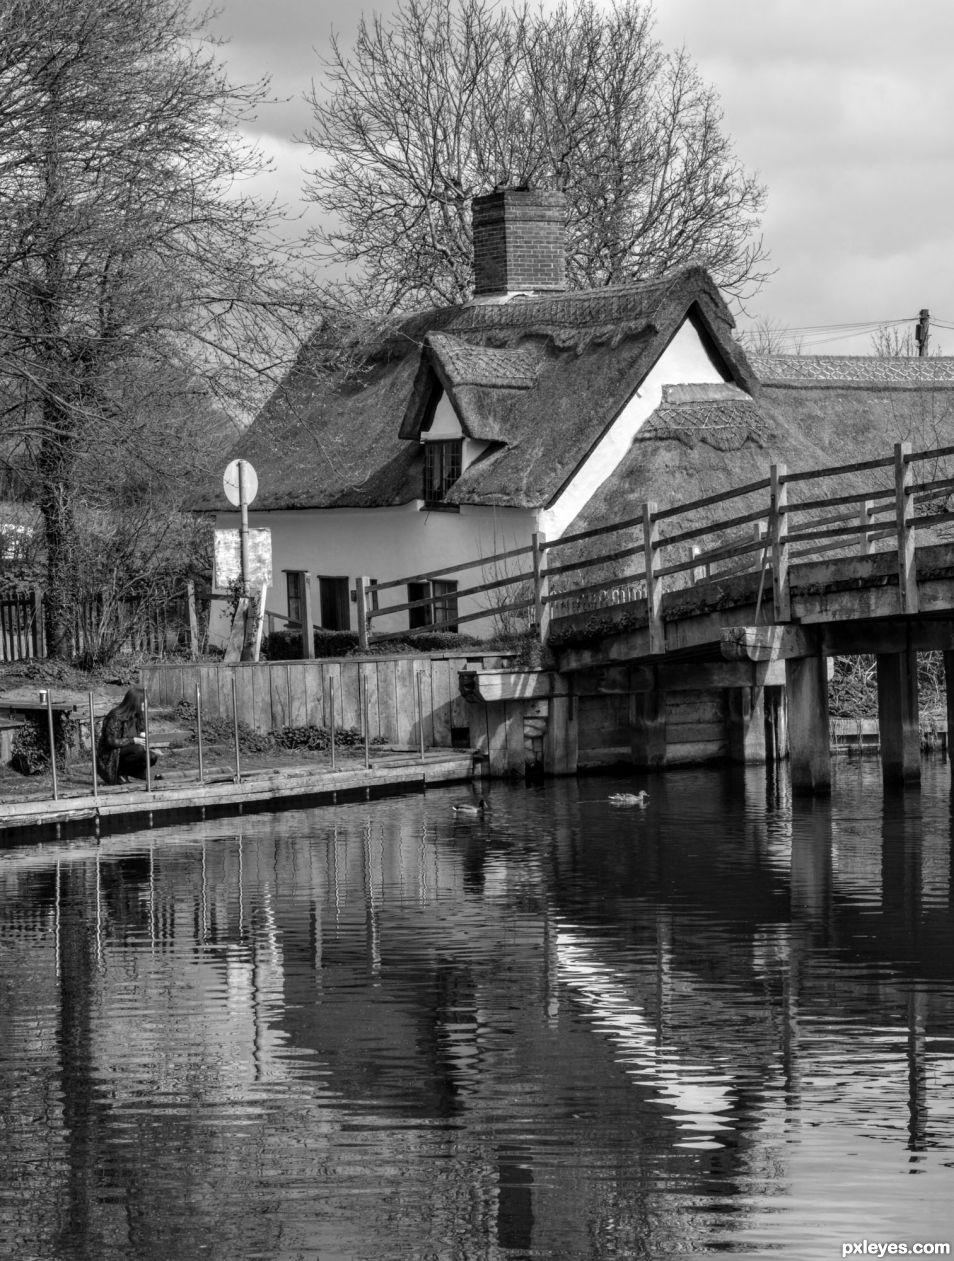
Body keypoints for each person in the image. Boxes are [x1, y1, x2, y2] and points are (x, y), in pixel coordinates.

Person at [96, 686, 160, 785]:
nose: (146, 704)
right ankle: (119, 774)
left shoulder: (138, 715)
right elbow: (110, 741)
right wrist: (133, 740)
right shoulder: (115, 716)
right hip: (112, 753)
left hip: (131, 750)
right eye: (144, 701)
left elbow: (142, 734)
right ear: (136, 701)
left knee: (152, 757)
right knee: (138, 749)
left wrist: (147, 741)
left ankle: (132, 773)